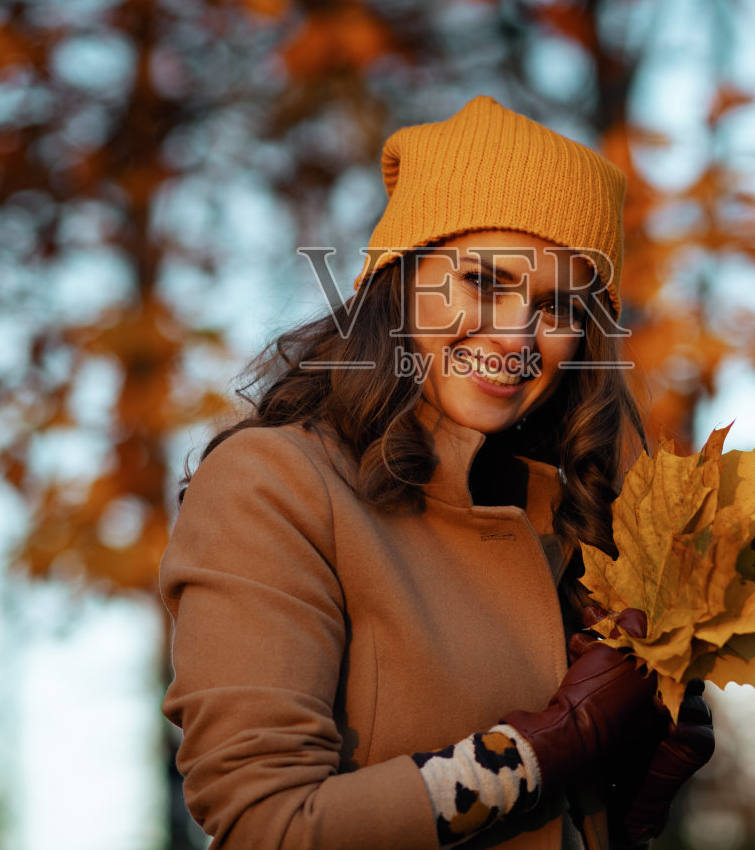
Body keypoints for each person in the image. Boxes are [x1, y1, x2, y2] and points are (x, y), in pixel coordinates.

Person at [159, 96, 714, 849]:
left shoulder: (571, 516)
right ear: (402, 278)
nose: (517, 335)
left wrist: (634, 798)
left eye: (557, 307)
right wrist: (541, 748)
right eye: (484, 282)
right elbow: (267, 823)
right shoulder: (276, 483)